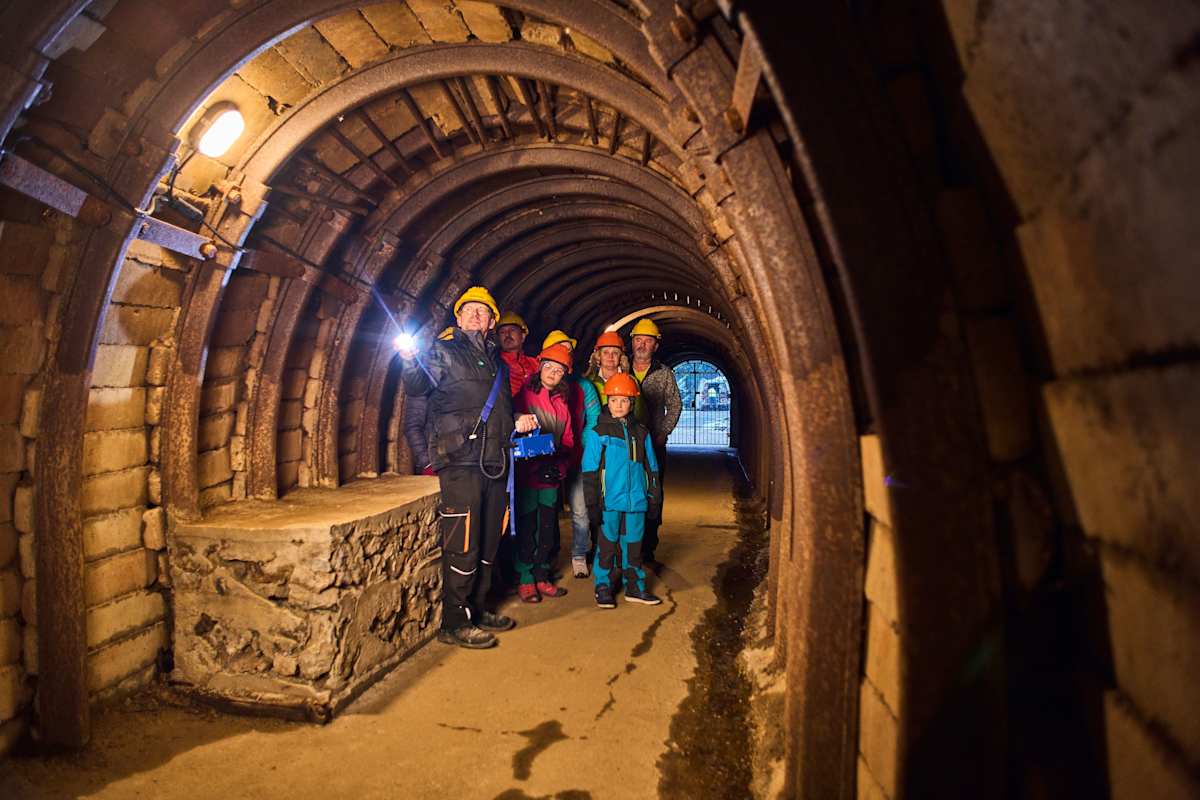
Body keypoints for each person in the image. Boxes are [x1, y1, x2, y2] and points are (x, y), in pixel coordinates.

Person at [397, 286, 538, 649]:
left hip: (494, 461)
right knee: (462, 543)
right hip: (460, 461)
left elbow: (499, 412)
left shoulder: (496, 364)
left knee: (490, 540)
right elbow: (415, 385)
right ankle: (454, 621)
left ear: (492, 322)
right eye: (469, 310)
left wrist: (518, 419)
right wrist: (410, 359)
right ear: (458, 318)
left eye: (483, 311)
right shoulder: (441, 352)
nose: (476, 316)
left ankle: (479, 607)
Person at [581, 373, 662, 608]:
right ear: (608, 400)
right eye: (614, 400)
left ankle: (634, 586)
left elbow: (651, 467)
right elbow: (589, 471)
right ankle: (603, 585)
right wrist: (592, 503)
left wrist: (654, 496)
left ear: (632, 403)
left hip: (636, 500)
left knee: (634, 546)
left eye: (624, 400)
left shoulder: (642, 433)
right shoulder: (599, 433)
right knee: (606, 545)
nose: (619, 405)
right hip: (609, 502)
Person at [512, 343, 576, 602]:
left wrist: (559, 467)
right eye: (548, 366)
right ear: (539, 368)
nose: (552, 372)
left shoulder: (562, 402)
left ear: (564, 375)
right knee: (527, 528)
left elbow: (569, 440)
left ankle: (542, 575)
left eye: (559, 370)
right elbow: (510, 424)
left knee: (547, 529)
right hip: (528, 477)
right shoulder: (524, 395)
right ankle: (526, 578)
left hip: (550, 480)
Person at [543, 330, 601, 578]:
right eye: (559, 348)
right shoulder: (540, 387)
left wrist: (581, 448)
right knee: (546, 512)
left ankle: (578, 554)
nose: (564, 353)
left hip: (576, 456)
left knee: (580, 510)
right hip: (546, 459)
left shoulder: (584, 386)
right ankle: (548, 557)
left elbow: (594, 419)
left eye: (568, 349)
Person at [628, 318, 681, 566]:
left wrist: (664, 432)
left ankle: (648, 548)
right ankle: (625, 546)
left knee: (653, 494)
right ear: (632, 342)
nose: (642, 344)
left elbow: (675, 405)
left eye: (648, 340)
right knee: (626, 492)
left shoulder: (664, 373)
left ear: (655, 345)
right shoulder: (621, 368)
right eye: (639, 339)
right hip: (624, 446)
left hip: (653, 445)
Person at [401, 328, 454, 475]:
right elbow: (412, 426)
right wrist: (427, 462)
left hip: (467, 462)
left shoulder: (470, 384)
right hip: (438, 462)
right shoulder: (424, 383)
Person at [497, 310, 539, 397]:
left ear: (523, 336)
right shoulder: (494, 363)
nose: (507, 335)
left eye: (512, 330)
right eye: (502, 332)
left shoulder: (535, 364)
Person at [584, 330, 629, 405]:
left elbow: (639, 415)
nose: (610, 357)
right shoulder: (589, 382)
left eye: (615, 353)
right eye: (605, 352)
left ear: (621, 357)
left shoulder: (630, 381)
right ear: (598, 356)